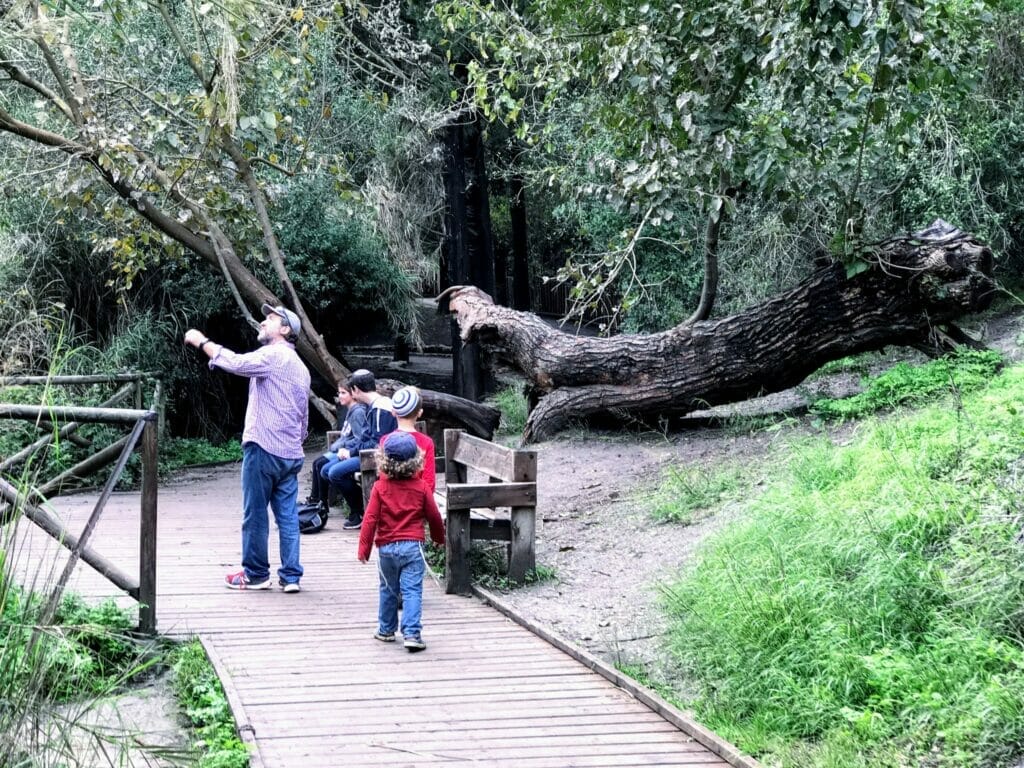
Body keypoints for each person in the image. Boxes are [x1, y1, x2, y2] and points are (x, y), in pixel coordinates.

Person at [184, 304, 310, 593]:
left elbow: (237, 364)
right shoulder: (301, 368)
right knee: (288, 517)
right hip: (290, 454)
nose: (263, 322)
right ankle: (291, 576)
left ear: (286, 330)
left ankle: (255, 574)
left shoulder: (273, 355)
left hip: (263, 447)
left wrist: (201, 341)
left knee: (255, 513)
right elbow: (303, 417)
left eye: (270, 319)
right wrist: (296, 441)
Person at [358, 431, 445, 652]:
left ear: (383, 460)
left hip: (386, 547)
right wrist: (438, 537)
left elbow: (370, 519)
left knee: (388, 589)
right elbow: (434, 515)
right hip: (413, 546)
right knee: (412, 591)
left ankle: (386, 630)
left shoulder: (379, 487)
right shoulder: (422, 487)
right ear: (417, 460)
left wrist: (364, 548)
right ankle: (412, 634)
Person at [325, 369, 397, 530]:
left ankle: (360, 511)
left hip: (379, 458)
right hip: (368, 454)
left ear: (356, 390)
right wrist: (350, 450)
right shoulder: (374, 406)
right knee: (329, 469)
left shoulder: (381, 408)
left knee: (335, 472)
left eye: (351, 390)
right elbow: (366, 438)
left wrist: (350, 452)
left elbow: (377, 443)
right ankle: (359, 511)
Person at [300, 382, 368, 522]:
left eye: (343, 393)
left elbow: (359, 438)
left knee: (322, 467)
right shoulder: (351, 410)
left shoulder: (358, 412)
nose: (339, 396)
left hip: (352, 452)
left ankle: (323, 504)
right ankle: (317, 501)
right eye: (339, 393)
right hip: (343, 449)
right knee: (317, 464)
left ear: (354, 394)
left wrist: (341, 446)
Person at [383, 385, 436, 495]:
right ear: (420, 413)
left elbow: (383, 477)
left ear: (393, 412)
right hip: (418, 501)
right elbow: (429, 482)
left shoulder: (385, 440)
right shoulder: (426, 442)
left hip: (391, 500)